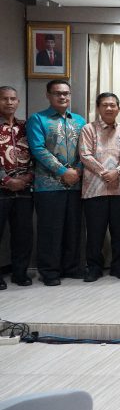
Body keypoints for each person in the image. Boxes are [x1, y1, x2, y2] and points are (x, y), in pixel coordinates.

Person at [26, 79, 86, 286]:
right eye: (58, 93)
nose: (63, 97)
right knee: (50, 229)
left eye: (66, 93)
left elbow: (84, 150)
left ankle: (71, 267)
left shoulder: (79, 120)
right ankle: (49, 271)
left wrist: (77, 170)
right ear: (48, 95)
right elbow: (38, 149)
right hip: (48, 185)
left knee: (73, 227)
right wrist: (62, 171)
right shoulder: (37, 119)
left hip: (76, 183)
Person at [79, 92, 120, 282]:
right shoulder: (88, 129)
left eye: (112, 105)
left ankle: (119, 266)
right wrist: (105, 173)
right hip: (94, 189)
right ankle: (94, 267)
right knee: (95, 232)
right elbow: (85, 155)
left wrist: (116, 171)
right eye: (104, 105)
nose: (109, 108)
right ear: (98, 108)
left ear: (118, 108)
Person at [0, 86, 34, 289]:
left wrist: (27, 178)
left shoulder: (25, 126)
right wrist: (6, 180)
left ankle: (20, 273)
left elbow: (36, 154)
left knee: (23, 234)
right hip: (1, 188)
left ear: (18, 102)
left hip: (24, 188)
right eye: (4, 99)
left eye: (13, 99)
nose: (9, 102)